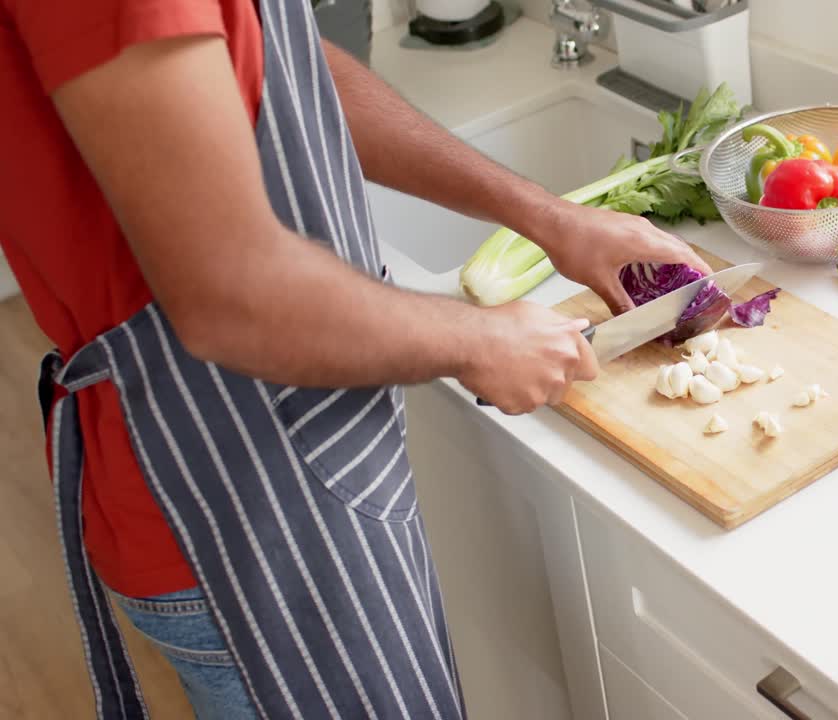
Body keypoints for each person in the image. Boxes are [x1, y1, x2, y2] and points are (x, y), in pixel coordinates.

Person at [0, 0, 710, 717]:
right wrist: (477, 339)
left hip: (307, 476)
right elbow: (226, 294)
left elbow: (286, 72)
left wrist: (546, 215)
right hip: (239, 523)